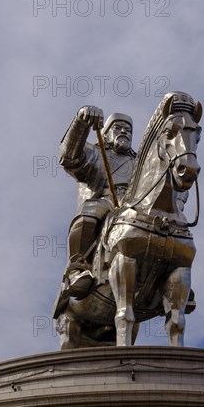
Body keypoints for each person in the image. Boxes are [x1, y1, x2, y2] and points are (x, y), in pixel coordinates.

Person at [54, 106, 135, 313]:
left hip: (136, 207)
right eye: (118, 127)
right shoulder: (96, 152)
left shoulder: (139, 160)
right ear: (106, 133)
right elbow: (69, 158)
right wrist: (81, 122)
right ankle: (78, 268)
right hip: (106, 200)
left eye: (128, 129)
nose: (124, 131)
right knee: (89, 214)